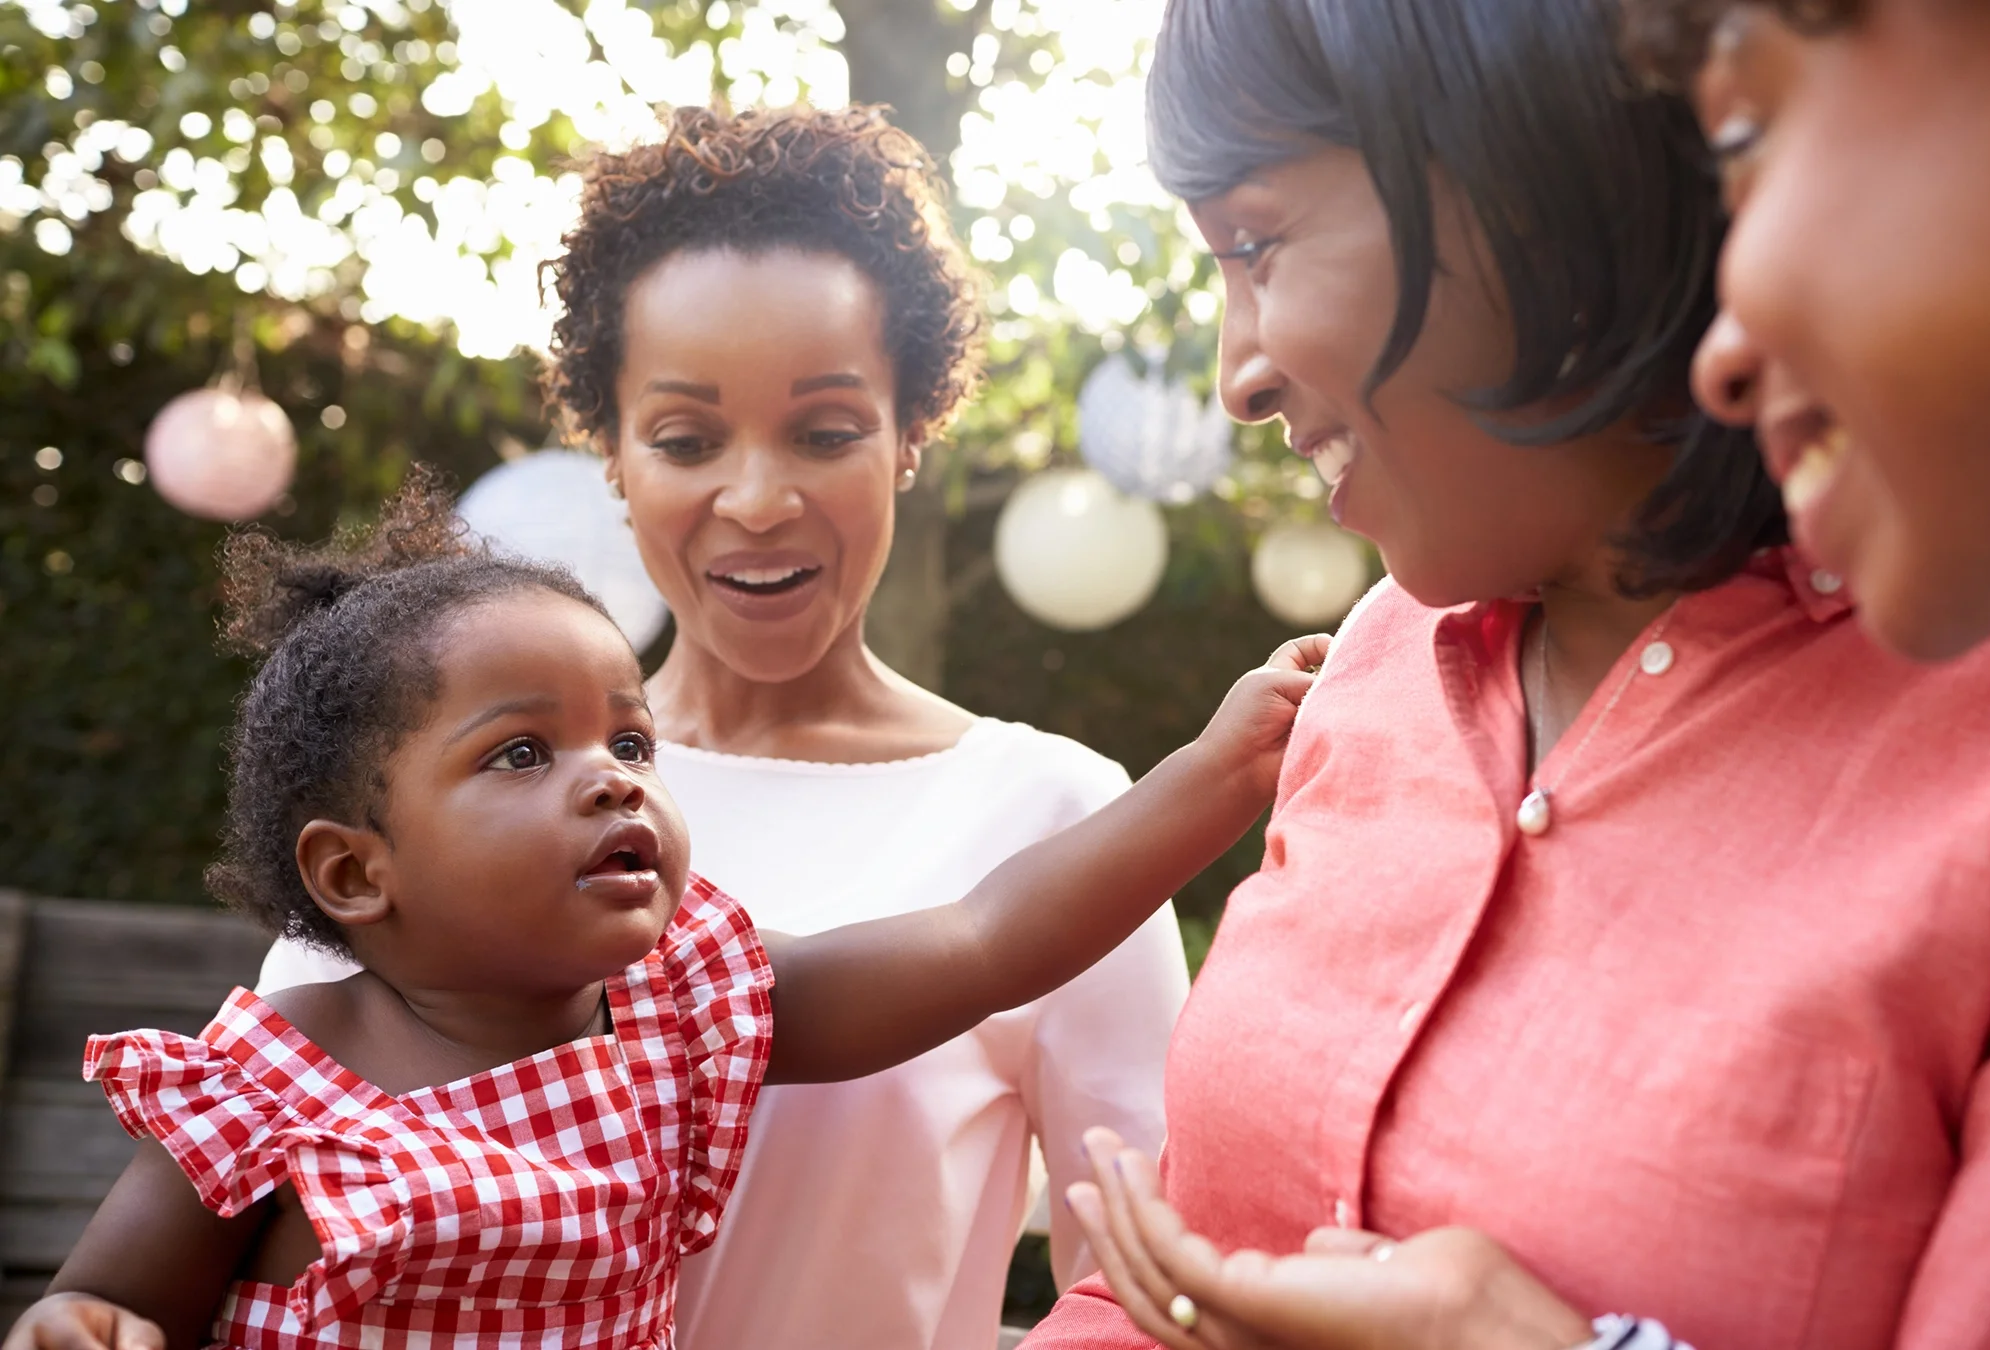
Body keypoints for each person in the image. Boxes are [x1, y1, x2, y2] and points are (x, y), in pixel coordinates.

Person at [1019, 0, 1990, 1348]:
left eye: (1257, 244)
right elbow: (1169, 1279)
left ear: (1541, 175)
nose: (1236, 373)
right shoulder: (1372, 660)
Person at [254, 105, 1192, 1350]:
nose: (757, 500)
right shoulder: (430, 793)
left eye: (826, 430)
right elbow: (270, 1202)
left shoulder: (1057, 820)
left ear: (910, 439)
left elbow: (1146, 1287)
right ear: (616, 457)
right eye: (689, 439)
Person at [3, 475, 1317, 1350]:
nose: (610, 779)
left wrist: (1217, 773)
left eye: (631, 743)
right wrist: (78, 1321)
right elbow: (110, 1295)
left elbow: (982, 941)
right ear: (356, 871)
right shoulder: (268, 1088)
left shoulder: (679, 1004)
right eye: (523, 752)